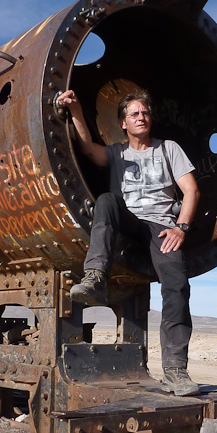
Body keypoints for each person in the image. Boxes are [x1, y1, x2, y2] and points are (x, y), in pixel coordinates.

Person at [57, 89, 201, 396]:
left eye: (145, 113)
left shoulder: (168, 149)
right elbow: (87, 148)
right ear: (124, 122)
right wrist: (76, 112)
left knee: (177, 285)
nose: (141, 118)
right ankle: (96, 276)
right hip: (128, 220)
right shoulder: (116, 152)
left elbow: (191, 190)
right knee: (108, 200)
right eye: (134, 114)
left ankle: (176, 370)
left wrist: (181, 228)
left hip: (161, 227)